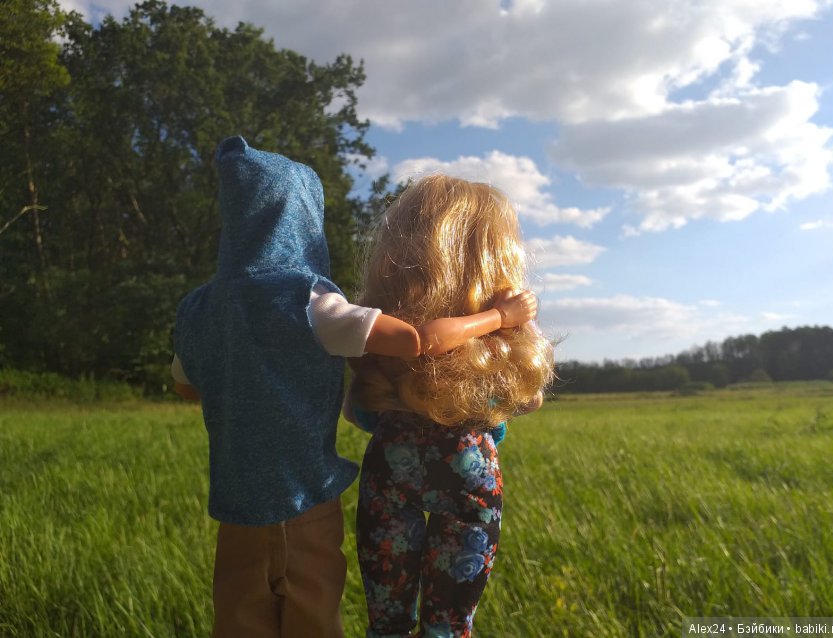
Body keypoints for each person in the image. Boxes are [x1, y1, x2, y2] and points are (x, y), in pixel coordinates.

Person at [170, 136, 538, 638]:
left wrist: (248, 389)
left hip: (242, 505)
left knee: (245, 618)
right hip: (311, 498)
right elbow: (428, 345)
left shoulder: (199, 308)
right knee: (341, 615)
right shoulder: (310, 299)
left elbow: (189, 386)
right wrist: (501, 316)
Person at [347, 174, 554, 638]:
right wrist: (505, 319)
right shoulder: (456, 337)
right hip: (469, 473)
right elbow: (528, 394)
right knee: (448, 623)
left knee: (390, 618)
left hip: (390, 468)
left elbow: (356, 410)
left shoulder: (380, 331)